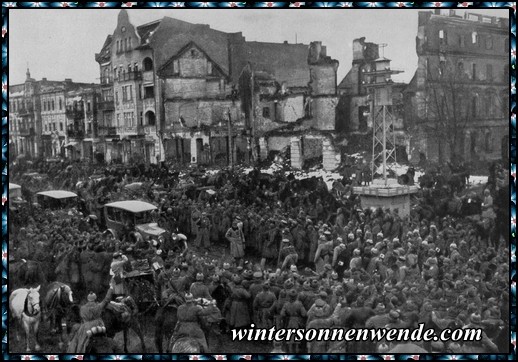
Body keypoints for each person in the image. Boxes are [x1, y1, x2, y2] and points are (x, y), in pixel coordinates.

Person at [67, 287, 114, 353]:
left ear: (88, 299)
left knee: (79, 341)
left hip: (85, 327)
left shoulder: (82, 308)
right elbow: (106, 299)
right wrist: (111, 288)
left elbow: (82, 318)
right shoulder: (98, 306)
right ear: (95, 298)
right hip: (98, 325)